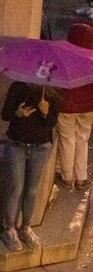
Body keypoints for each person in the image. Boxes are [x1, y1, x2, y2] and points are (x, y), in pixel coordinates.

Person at [0, 80, 60, 251]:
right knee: (15, 188)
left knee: (31, 190)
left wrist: (46, 113)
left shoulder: (53, 92)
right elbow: (5, 114)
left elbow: (52, 122)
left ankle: (26, 227)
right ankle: (9, 228)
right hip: (17, 144)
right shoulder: (19, 86)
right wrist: (17, 113)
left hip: (41, 147)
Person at [57, 23, 93, 191]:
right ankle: (81, 177)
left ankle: (67, 177)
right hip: (88, 107)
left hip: (66, 106)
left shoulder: (64, 55)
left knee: (67, 139)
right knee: (82, 139)